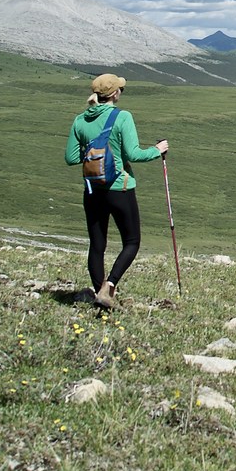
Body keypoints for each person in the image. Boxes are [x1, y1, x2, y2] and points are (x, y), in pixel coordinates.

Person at [64, 73, 168, 308]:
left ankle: (98, 290)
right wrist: (157, 150)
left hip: (92, 189)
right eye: (120, 88)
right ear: (114, 94)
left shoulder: (80, 120)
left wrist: (93, 154)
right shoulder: (122, 117)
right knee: (131, 241)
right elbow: (133, 154)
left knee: (97, 244)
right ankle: (109, 287)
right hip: (120, 188)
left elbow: (71, 157)